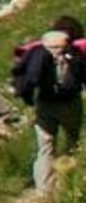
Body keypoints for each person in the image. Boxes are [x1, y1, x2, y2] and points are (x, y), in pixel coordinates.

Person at [21, 23, 86, 192]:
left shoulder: (38, 56)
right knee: (72, 139)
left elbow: (27, 83)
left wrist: (29, 103)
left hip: (44, 104)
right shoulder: (74, 53)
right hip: (70, 103)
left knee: (46, 148)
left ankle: (44, 189)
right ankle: (69, 182)